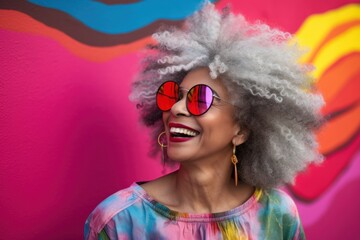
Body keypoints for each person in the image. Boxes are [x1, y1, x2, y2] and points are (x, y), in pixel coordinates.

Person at [84, 2, 324, 239]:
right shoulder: (120, 221)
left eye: (201, 98)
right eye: (173, 95)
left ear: (241, 129)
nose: (176, 108)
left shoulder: (277, 214)